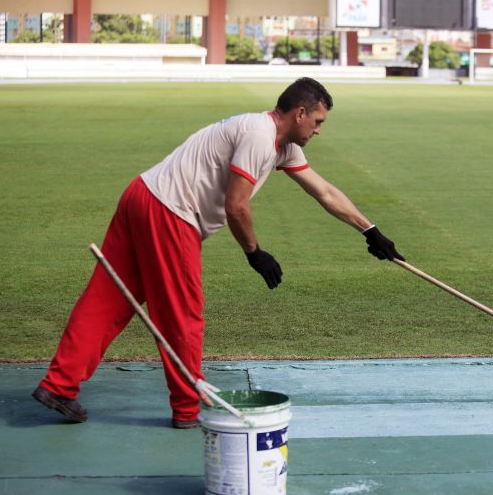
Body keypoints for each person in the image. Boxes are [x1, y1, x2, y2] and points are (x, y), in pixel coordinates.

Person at [33, 77, 404, 428]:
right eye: (318, 121)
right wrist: (255, 253)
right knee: (182, 314)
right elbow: (236, 205)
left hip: (142, 195)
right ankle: (188, 408)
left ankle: (59, 384)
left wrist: (370, 231)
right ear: (300, 113)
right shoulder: (260, 135)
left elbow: (324, 191)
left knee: (106, 302)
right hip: (170, 212)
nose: (319, 130)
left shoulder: (282, 145)